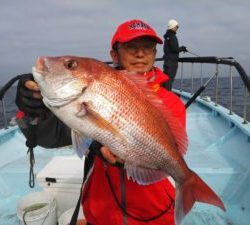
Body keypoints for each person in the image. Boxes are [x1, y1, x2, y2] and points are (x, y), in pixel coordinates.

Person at [15, 19, 186, 225]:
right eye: (131, 47)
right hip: (101, 211)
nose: (140, 54)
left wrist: (123, 160)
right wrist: (34, 111)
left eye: (148, 48)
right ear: (114, 55)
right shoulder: (87, 94)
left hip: (155, 214)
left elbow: (165, 151)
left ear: (155, 54)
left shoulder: (171, 102)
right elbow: (51, 137)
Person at [163, 19, 187, 91]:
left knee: (165, 79)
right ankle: (167, 97)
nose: (177, 28)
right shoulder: (172, 36)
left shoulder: (167, 37)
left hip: (167, 61)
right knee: (169, 80)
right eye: (177, 26)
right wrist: (182, 48)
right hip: (172, 62)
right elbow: (174, 49)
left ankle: (164, 94)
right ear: (173, 26)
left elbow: (167, 49)